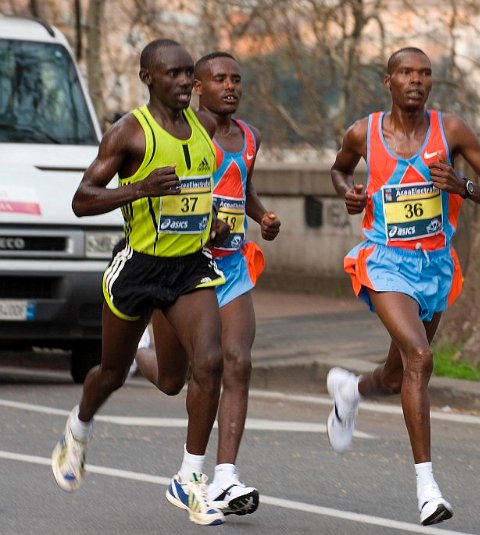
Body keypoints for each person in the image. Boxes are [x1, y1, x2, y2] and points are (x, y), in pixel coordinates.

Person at [326, 46, 480, 526]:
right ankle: (427, 488)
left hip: (435, 266)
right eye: (406, 72)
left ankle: (350, 391)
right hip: (384, 261)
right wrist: (348, 192)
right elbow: (340, 168)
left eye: (425, 74)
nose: (416, 80)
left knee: (395, 376)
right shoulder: (363, 132)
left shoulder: (451, 131)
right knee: (421, 358)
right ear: (388, 82)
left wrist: (463, 187)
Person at [51, 38, 230, 527]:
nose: (184, 82)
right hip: (138, 268)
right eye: (172, 73)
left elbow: (198, 188)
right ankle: (79, 427)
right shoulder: (128, 133)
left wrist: (210, 220)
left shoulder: (204, 126)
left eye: (188, 73)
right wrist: (140, 189)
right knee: (112, 372)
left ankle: (190, 478)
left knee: (207, 363)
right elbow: (82, 200)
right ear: (147, 77)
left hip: (189, 265)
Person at [134, 51, 281, 517]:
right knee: (176, 380)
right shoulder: (184, 134)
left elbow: (243, 186)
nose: (230, 87)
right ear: (197, 87)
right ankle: (137, 353)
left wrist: (262, 217)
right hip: (182, 268)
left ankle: (224, 478)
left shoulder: (249, 137)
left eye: (236, 79)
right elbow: (165, 193)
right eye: (219, 79)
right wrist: (203, 223)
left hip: (232, 266)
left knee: (236, 362)